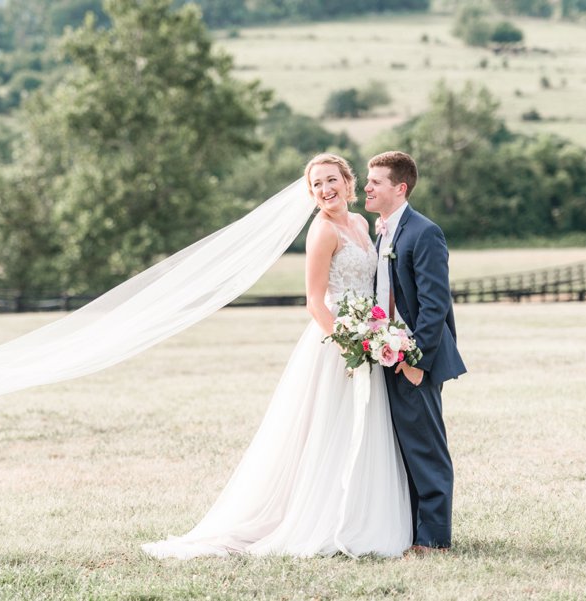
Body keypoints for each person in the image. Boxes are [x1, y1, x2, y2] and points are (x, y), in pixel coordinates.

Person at [142, 154, 412, 559]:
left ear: (348, 181)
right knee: (325, 431)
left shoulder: (360, 224)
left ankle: (356, 512)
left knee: (362, 426)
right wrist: (349, 343)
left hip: (368, 340)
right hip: (337, 344)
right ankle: (317, 518)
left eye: (331, 180)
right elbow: (314, 302)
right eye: (316, 184)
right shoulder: (321, 232)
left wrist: (378, 334)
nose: (325, 189)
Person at [365, 151, 466, 552]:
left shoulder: (424, 232)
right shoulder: (385, 230)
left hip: (413, 360)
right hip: (386, 356)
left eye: (375, 181)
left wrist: (414, 361)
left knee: (426, 449)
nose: (367, 187)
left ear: (399, 187)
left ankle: (434, 539)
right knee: (400, 448)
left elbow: (434, 305)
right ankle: (408, 532)